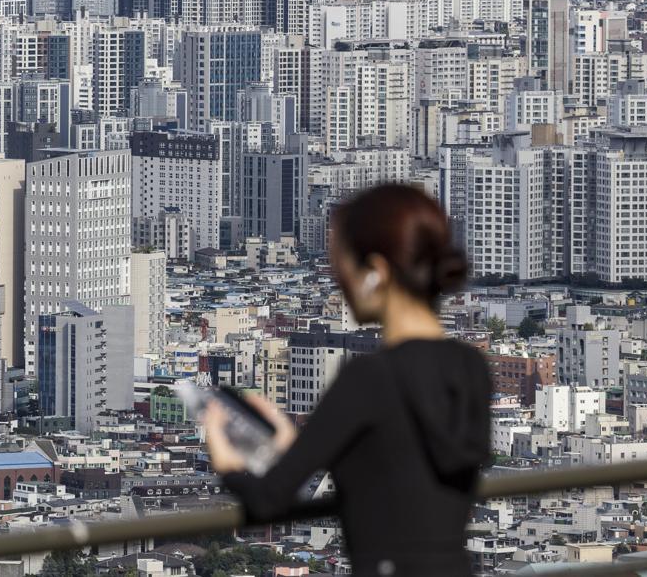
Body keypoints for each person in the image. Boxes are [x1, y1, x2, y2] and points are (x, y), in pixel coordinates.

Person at [202, 184, 491, 577]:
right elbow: (405, 470)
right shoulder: (471, 367)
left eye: (341, 266)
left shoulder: (371, 377)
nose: (338, 282)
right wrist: (299, 445)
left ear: (377, 272)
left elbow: (267, 500)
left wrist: (223, 455)